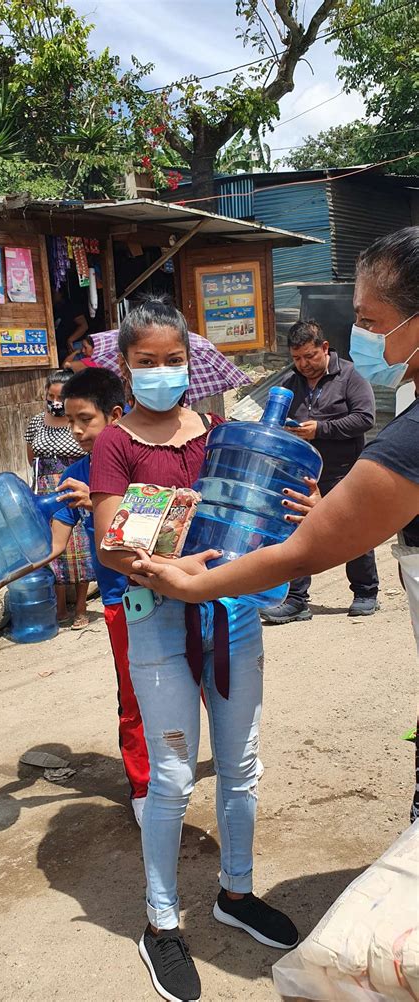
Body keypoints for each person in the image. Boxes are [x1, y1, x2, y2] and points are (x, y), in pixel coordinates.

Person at [128, 229, 419, 824]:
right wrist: (332, 517)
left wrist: (190, 585)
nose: (359, 334)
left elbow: (299, 553)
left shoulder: (404, 430)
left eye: (369, 319)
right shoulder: (118, 440)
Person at [90, 297, 299, 1002]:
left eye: (172, 360)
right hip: (156, 621)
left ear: (190, 363)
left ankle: (234, 894)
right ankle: (160, 919)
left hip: (232, 615)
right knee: (173, 778)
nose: (160, 372)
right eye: (145, 362)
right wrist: (165, 572)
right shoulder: (114, 442)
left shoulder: (219, 431)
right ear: (125, 367)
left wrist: (305, 500)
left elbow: (257, 511)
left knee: (241, 765)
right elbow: (111, 541)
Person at [0, 369, 151, 825]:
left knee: (202, 682)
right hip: (122, 602)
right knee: (134, 697)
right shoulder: (74, 475)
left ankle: (223, 761)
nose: (77, 432)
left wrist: (109, 503)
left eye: (86, 420)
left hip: (175, 590)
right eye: (70, 421)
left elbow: (169, 523)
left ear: (116, 415)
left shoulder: (147, 459)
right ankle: (143, 788)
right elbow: (52, 546)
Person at [261, 318, 379, 624]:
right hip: (301, 474)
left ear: (324, 348)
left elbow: (365, 418)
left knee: (352, 529)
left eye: (310, 356)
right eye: (297, 358)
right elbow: (270, 422)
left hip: (344, 471)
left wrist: (321, 429)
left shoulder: (350, 375)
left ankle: (365, 592)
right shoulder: (289, 383)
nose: (303, 364)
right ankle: (297, 600)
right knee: (297, 533)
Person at [24, 370, 93, 628]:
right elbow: (31, 458)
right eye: (50, 395)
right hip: (44, 488)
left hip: (73, 485)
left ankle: (82, 608)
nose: (54, 401)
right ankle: (60, 607)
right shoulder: (35, 423)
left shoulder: (78, 422)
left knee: (80, 547)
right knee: (51, 548)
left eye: (60, 396)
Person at [52, 287, 88, 365]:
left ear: (61, 293)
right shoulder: (56, 309)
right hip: (62, 347)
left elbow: (84, 325)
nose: (52, 294)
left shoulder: (70, 307)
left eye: (54, 292)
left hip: (74, 346)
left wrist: (70, 340)